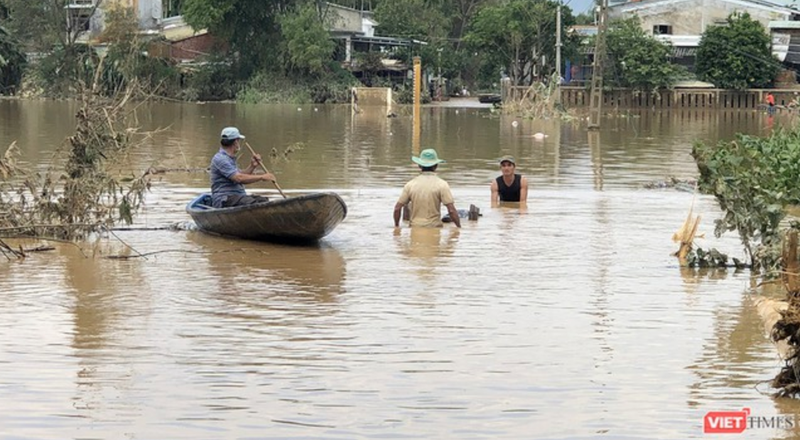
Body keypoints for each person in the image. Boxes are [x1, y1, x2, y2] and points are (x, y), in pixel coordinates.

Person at [209, 126, 276, 208]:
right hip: (225, 199)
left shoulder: (229, 158)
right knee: (255, 204)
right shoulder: (220, 159)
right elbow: (239, 178)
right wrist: (262, 177)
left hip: (236, 198)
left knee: (263, 201)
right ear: (235, 142)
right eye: (238, 141)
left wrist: (252, 166)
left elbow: (240, 174)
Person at [394, 148, 461, 228]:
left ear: (419, 165)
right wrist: (459, 228)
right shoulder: (442, 185)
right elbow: (451, 210)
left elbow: (397, 208)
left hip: (415, 228)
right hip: (434, 227)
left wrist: (396, 227)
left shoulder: (410, 185)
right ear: (436, 166)